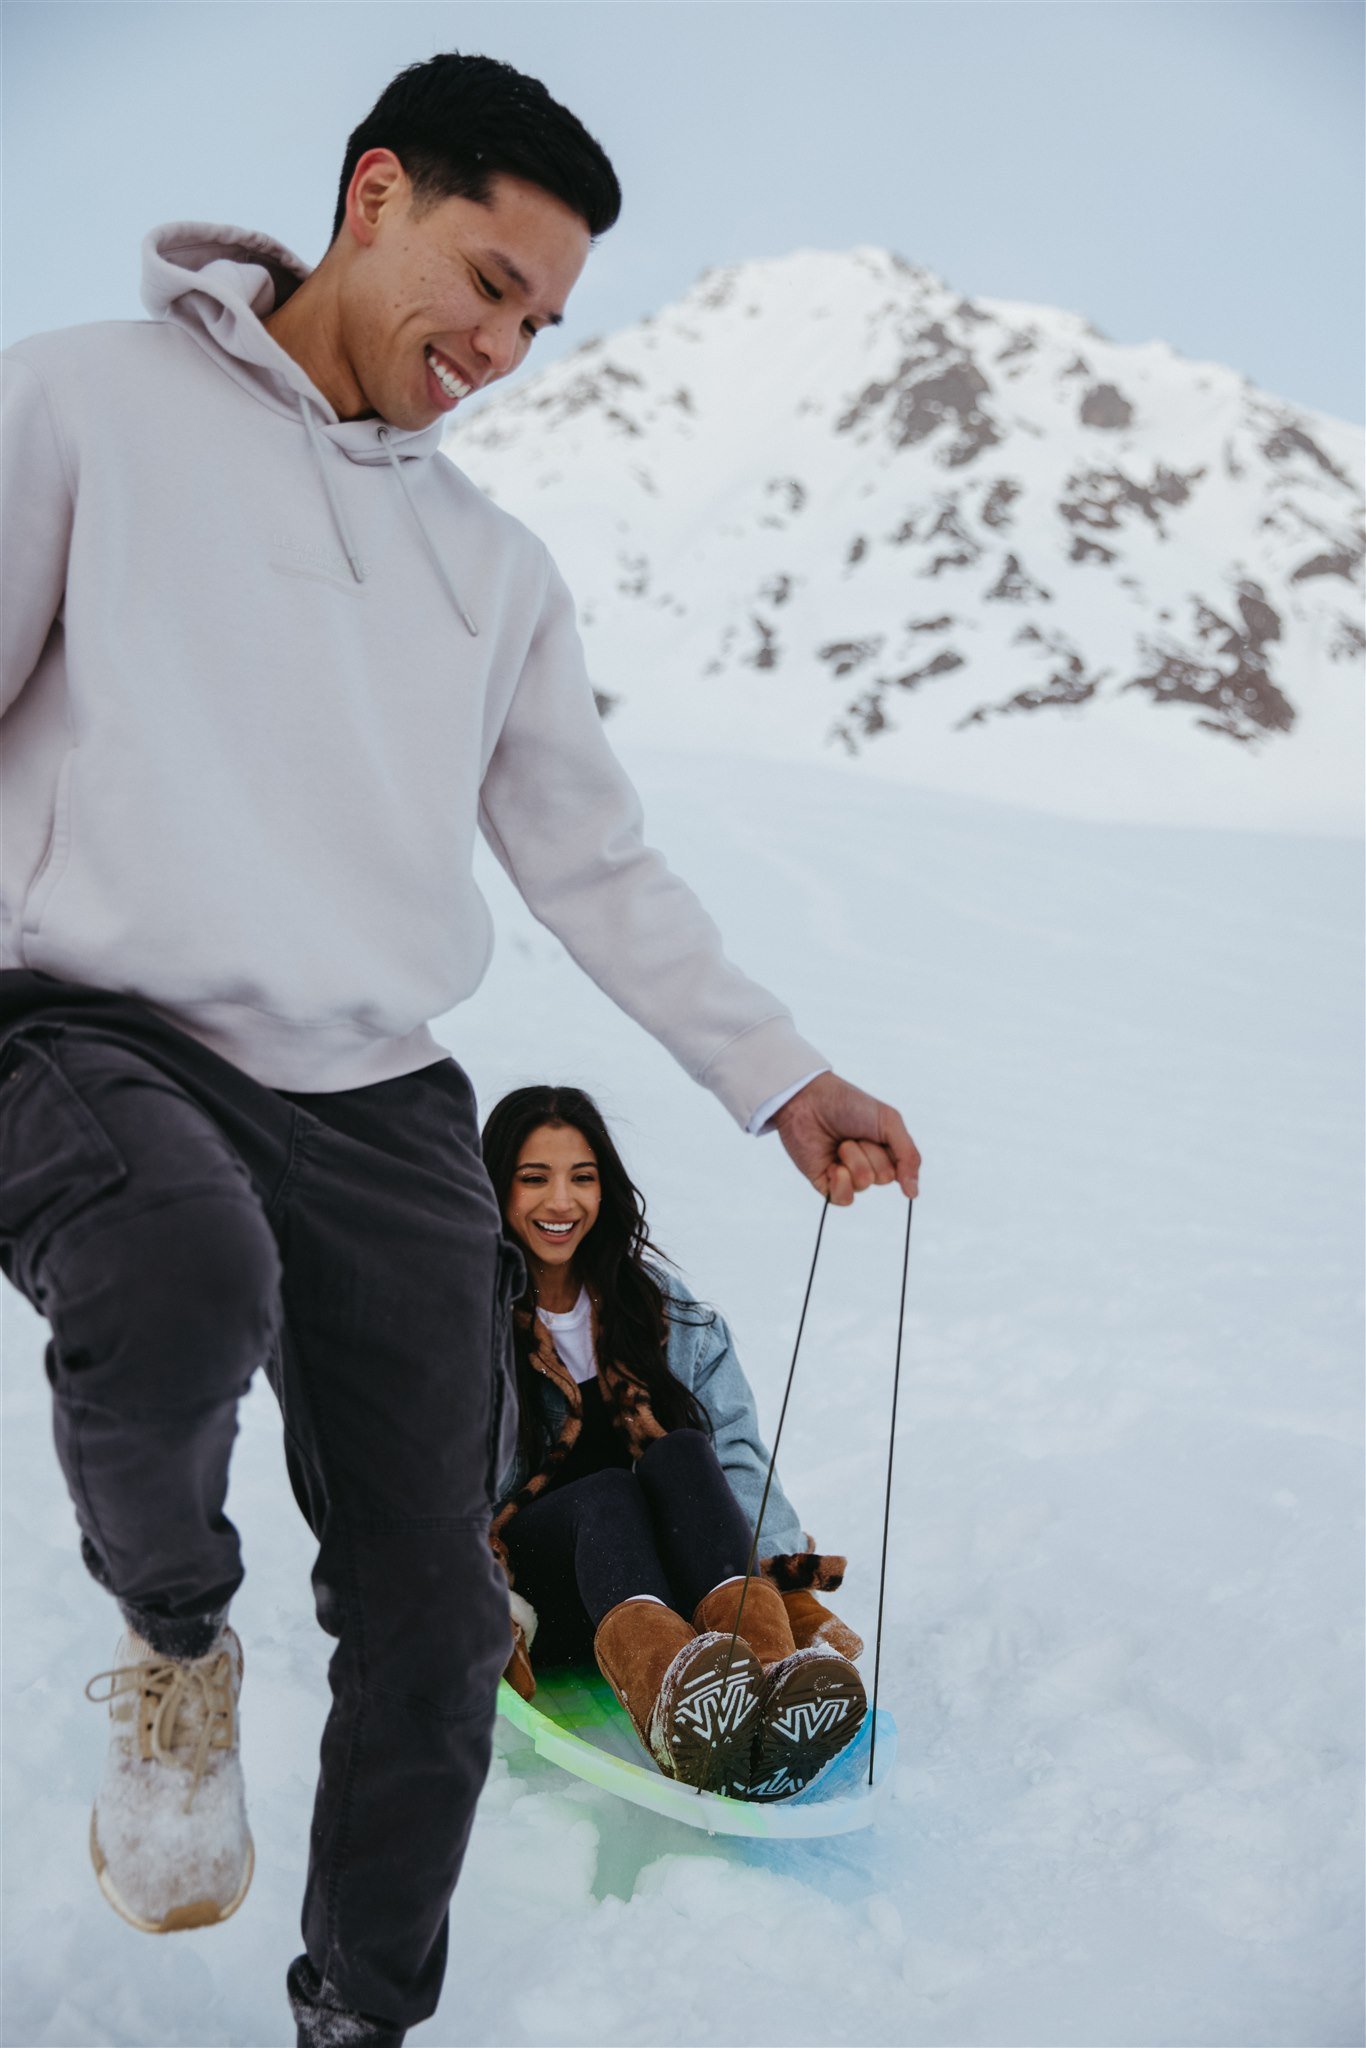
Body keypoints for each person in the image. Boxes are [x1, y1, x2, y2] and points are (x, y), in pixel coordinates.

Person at [0, 49, 919, 2048]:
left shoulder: (489, 571)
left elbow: (596, 864)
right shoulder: (74, 403)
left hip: (373, 1101)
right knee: (174, 1268)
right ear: (371, 195)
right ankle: (175, 1643)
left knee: (434, 1618)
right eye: (486, 281)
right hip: (78, 1025)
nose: (503, 344)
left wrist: (779, 1074)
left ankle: (359, 2018)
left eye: (541, 320)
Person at [482, 1086, 868, 1801]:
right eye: (534, 1178)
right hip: (547, 1593)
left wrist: (777, 1569)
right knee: (606, 1490)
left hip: (675, 1577)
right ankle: (673, 1706)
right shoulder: (463, 1325)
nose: (560, 1202)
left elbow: (737, 1455)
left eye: (582, 1177)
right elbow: (435, 1488)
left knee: (683, 1452)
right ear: (496, 1189)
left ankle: (767, 1682)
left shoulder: (660, 1311)